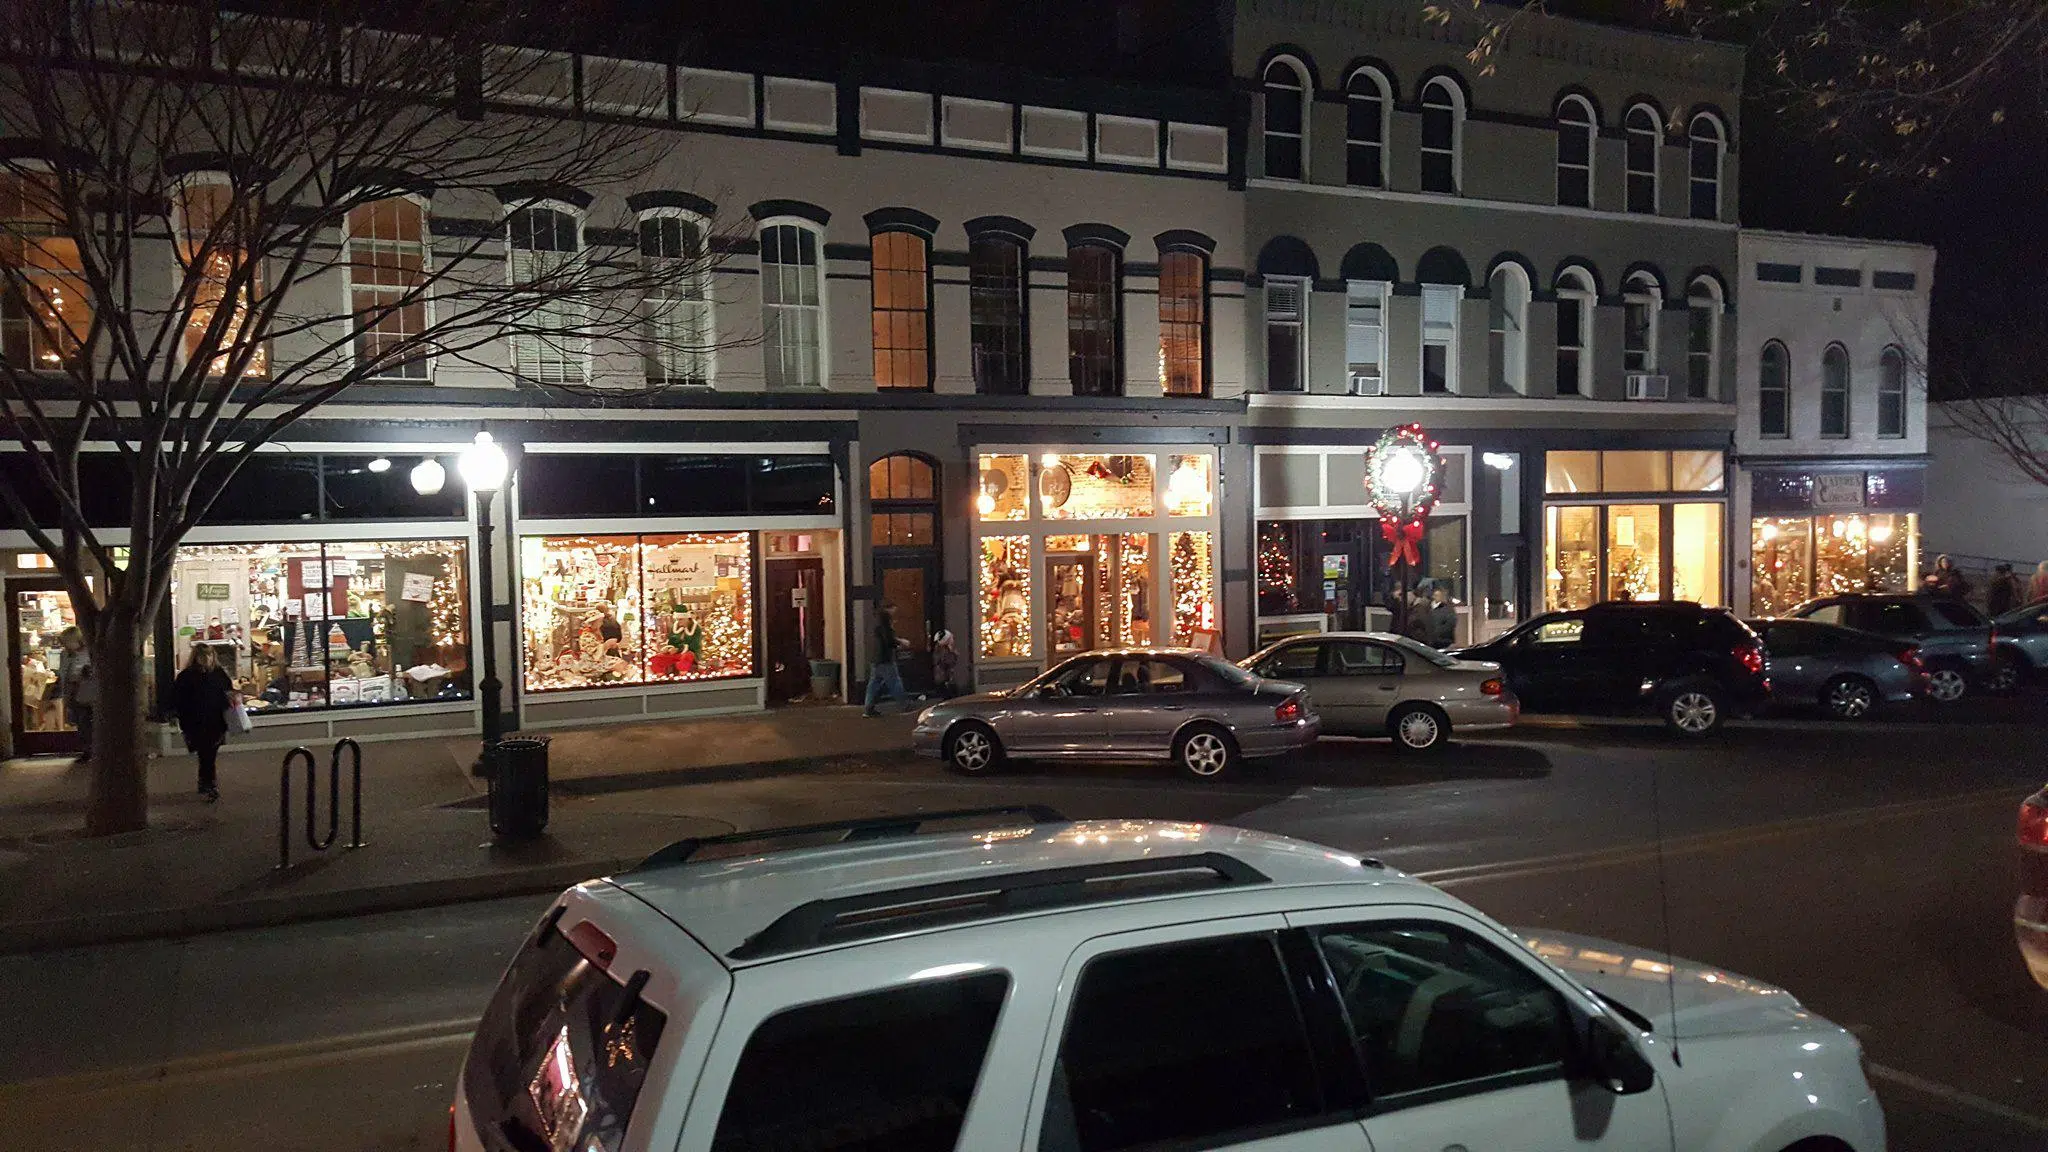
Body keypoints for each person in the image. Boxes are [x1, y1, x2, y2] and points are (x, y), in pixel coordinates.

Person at [172, 644, 235, 802]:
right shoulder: (187, 676)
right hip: (196, 721)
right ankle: (209, 783)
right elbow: (179, 699)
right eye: (203, 656)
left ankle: (206, 782)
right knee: (206, 752)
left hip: (216, 720)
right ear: (196, 657)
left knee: (209, 752)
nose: (207, 659)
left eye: (209, 655)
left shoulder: (219, 674)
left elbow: (228, 691)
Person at [862, 603, 911, 717]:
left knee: (873, 684)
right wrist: (900, 643)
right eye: (893, 609)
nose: (895, 612)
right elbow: (888, 639)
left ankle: (868, 708)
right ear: (888, 609)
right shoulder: (885, 622)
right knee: (894, 682)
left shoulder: (876, 620)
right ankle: (905, 705)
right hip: (885, 658)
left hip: (876, 658)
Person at [55, 626, 95, 764]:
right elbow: (63, 673)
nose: (65, 645)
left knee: (87, 721)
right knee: (80, 722)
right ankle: (87, 750)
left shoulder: (90, 652)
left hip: (87, 690)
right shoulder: (65, 654)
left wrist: (86, 673)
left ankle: (91, 750)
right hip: (73, 691)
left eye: (67, 642)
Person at [931, 623, 959, 697]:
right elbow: (948, 661)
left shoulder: (941, 649)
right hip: (944, 675)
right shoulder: (944, 650)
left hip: (944, 675)